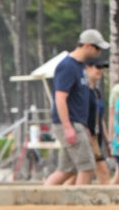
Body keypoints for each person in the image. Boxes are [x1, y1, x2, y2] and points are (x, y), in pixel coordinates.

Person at [43, 30, 108, 188]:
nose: (99, 52)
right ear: (87, 46)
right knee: (87, 166)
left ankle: (41, 195)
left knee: (67, 170)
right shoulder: (67, 66)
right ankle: (80, 200)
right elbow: (60, 98)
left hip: (78, 124)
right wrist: (67, 127)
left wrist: (84, 127)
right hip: (69, 123)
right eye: (97, 48)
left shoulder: (80, 67)